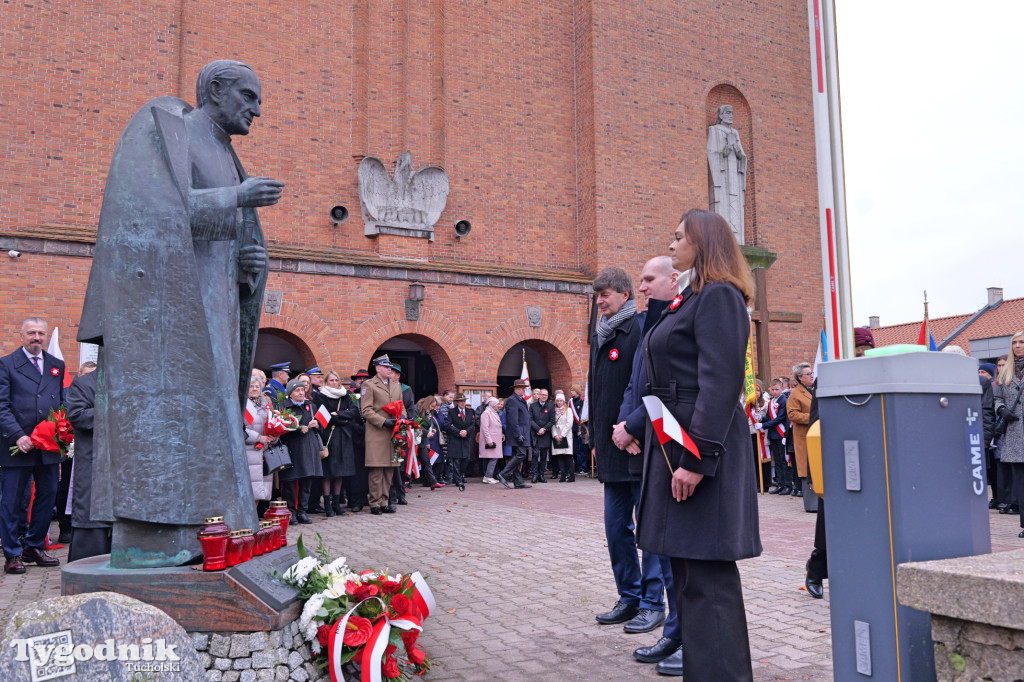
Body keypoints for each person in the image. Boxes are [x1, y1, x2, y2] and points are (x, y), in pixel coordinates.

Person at [76, 60, 280, 567]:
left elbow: (221, 240)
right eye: (248, 97)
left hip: (217, 304)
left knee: (212, 416)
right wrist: (236, 197)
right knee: (174, 418)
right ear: (214, 90)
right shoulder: (171, 132)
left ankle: (215, 530)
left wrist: (248, 264)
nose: (257, 109)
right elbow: (148, 213)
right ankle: (166, 534)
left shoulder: (228, 154)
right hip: (171, 321)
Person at [636, 209, 761, 680]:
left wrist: (696, 459)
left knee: (709, 581)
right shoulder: (693, 299)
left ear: (702, 244)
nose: (672, 246)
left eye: (678, 238)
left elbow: (720, 384)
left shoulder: (720, 298)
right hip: (677, 446)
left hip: (699, 453)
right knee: (689, 576)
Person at [612, 256, 681, 672]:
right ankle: (674, 630)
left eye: (648, 279)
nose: (642, 287)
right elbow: (634, 385)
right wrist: (624, 425)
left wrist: (633, 426)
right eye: (639, 280)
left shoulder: (674, 320)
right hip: (645, 445)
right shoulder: (648, 324)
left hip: (669, 448)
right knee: (661, 544)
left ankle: (677, 628)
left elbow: (665, 389)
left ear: (674, 279)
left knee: (673, 551)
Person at [587, 266, 651, 632]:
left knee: (648, 529)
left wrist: (634, 428)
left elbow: (643, 386)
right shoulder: (600, 335)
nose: (599, 302)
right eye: (597, 296)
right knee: (616, 528)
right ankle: (629, 595)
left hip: (638, 445)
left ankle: (653, 601)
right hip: (611, 449)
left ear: (624, 294)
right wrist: (596, 439)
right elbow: (597, 392)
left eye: (605, 295)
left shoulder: (640, 329)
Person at [0, 318, 66, 574]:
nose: (36, 337)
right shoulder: (6, 364)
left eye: (41, 333)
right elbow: (2, 406)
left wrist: (61, 431)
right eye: (31, 333)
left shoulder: (56, 365)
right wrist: (18, 435)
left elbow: (61, 404)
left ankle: (34, 546)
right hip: (17, 445)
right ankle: (13, 553)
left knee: (48, 495)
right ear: (22, 335)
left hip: (47, 445)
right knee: (13, 501)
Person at [66, 361, 110, 562]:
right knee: (93, 520)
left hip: (125, 469)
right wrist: (112, 407)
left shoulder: (135, 380)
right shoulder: (84, 384)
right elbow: (77, 416)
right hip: (95, 464)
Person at [360, 355, 405, 515]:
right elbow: (366, 410)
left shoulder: (396, 386)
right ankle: (374, 503)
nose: (389, 369)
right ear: (378, 368)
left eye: (390, 367)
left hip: (393, 433)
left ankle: (385, 501)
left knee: (389, 470)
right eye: (386, 367)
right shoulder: (369, 384)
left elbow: (401, 406)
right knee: (377, 470)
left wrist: (403, 419)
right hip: (378, 432)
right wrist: (382, 421)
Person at [278, 379, 324, 524]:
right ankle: (291, 511)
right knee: (291, 481)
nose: (301, 392)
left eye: (302, 390)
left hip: (310, 447)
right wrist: (298, 430)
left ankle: (302, 511)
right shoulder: (284, 407)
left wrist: (318, 425)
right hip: (293, 448)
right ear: (290, 392)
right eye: (297, 390)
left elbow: (322, 428)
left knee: (307, 480)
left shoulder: (311, 405)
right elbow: (280, 430)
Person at [994, 332, 1024, 538]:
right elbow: (997, 398)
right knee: (1021, 484)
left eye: (1021, 342)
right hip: (1015, 434)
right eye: (1014, 343)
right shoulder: (1005, 372)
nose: (1018, 346)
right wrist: (1002, 409)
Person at [316, 371, 359, 516]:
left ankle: (336, 503)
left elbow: (354, 412)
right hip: (329, 436)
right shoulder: (321, 396)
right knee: (328, 472)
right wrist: (342, 419)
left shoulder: (345, 395)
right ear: (326, 382)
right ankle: (327, 505)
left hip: (344, 437)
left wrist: (339, 414)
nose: (335, 383)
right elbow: (325, 416)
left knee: (341, 471)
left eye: (336, 380)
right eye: (331, 380)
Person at [244, 375, 275, 514]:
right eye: (251, 386)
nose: (255, 389)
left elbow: (272, 424)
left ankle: (254, 518)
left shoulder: (265, 404)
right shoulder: (242, 405)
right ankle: (247, 519)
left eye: (257, 386)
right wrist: (258, 437)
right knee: (249, 489)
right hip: (249, 451)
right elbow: (240, 429)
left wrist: (274, 435)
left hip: (264, 452)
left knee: (260, 489)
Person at [758, 379, 792, 495]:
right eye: (772, 389)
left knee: (784, 460)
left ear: (782, 388)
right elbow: (769, 417)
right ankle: (780, 484)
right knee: (777, 460)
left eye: (777, 389)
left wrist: (763, 425)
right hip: (773, 434)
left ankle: (788, 485)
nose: (774, 392)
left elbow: (780, 418)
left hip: (781, 433)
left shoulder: (784, 400)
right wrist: (761, 419)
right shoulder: (771, 402)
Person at [496, 380, 532, 489]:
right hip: (518, 434)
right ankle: (503, 474)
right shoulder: (512, 400)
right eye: (521, 388)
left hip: (523, 433)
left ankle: (518, 481)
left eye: (524, 388)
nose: (523, 390)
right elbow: (513, 420)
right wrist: (518, 434)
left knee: (517, 455)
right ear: (515, 389)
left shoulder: (520, 400)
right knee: (521, 454)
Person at [787, 362, 815, 500]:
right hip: (805, 436)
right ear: (800, 378)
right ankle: (810, 502)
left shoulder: (815, 389)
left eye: (812, 373)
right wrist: (813, 416)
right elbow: (793, 415)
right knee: (807, 469)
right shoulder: (796, 394)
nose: (812, 376)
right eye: (808, 374)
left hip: (817, 436)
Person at [445, 394, 474, 491]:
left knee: (465, 459)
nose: (463, 403)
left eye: (464, 401)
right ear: (457, 402)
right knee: (456, 460)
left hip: (465, 438)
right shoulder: (452, 412)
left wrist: (466, 431)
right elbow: (448, 425)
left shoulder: (470, 412)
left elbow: (472, 424)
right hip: (455, 439)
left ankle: (459, 476)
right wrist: (458, 432)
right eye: (461, 401)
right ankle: (458, 479)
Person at [528, 388, 556, 483]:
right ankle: (534, 475)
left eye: (546, 395)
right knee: (535, 455)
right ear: (539, 395)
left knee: (544, 456)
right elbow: (530, 419)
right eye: (542, 394)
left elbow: (552, 420)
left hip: (545, 434)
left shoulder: (551, 406)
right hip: (535, 434)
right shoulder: (532, 406)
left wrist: (544, 429)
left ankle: (541, 475)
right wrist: (538, 429)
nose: (544, 396)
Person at [478, 396, 504, 483]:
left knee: (492, 458)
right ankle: (488, 476)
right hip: (491, 440)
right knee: (493, 458)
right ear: (493, 405)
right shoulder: (486, 413)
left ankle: (488, 476)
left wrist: (501, 434)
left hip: (495, 439)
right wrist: (489, 441)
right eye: (497, 404)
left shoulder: (493, 412)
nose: (498, 406)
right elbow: (485, 428)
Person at [550, 393, 575, 482]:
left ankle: (571, 475)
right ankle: (563, 475)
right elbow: (552, 423)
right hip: (557, 435)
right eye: (558, 401)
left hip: (565, 435)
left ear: (564, 401)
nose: (559, 402)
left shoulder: (568, 410)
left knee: (568, 456)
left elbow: (569, 424)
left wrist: (562, 435)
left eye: (561, 400)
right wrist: (555, 435)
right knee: (559, 456)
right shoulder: (554, 411)